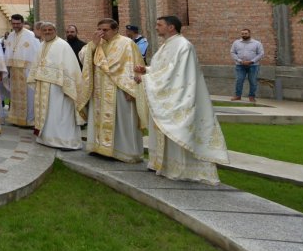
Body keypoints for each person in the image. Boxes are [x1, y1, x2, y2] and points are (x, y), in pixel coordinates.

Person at [135, 16, 229, 184]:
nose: (156, 27)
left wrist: (146, 79)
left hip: (182, 97)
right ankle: (165, 165)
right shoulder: (166, 45)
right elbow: (163, 69)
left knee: (179, 130)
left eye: (159, 25)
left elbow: (177, 72)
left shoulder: (183, 45)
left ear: (171, 27)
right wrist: (147, 70)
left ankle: (184, 170)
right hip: (170, 93)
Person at [77, 19, 147, 163]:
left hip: (119, 89)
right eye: (99, 29)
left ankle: (123, 152)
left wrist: (132, 89)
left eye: (105, 30)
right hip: (99, 90)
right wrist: (93, 45)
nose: (101, 33)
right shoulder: (96, 43)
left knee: (122, 122)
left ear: (115, 29)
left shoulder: (126, 43)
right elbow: (83, 58)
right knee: (98, 120)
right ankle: (99, 148)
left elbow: (135, 65)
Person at [28, 22, 83, 150]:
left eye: (50, 30)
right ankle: (46, 137)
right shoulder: (42, 45)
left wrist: (66, 84)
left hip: (59, 87)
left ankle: (64, 140)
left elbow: (70, 68)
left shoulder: (63, 45)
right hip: (43, 85)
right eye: (45, 30)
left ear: (55, 30)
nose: (47, 32)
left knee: (60, 112)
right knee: (47, 113)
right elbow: (37, 64)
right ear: (41, 32)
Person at [3, 14, 39, 127]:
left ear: (22, 23)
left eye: (18, 24)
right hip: (14, 71)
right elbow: (8, 51)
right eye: (13, 23)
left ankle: (29, 120)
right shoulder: (11, 36)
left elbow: (36, 52)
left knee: (29, 96)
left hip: (26, 71)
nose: (16, 26)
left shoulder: (30, 35)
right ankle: (16, 118)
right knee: (14, 95)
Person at [230, 27, 264, 102]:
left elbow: (261, 54)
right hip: (240, 65)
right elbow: (232, 52)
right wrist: (239, 61)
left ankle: (251, 96)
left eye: (246, 33)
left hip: (253, 65)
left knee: (253, 81)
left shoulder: (257, 43)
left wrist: (252, 61)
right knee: (239, 80)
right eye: (242, 34)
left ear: (249, 34)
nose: (244, 35)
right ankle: (238, 95)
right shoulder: (236, 43)